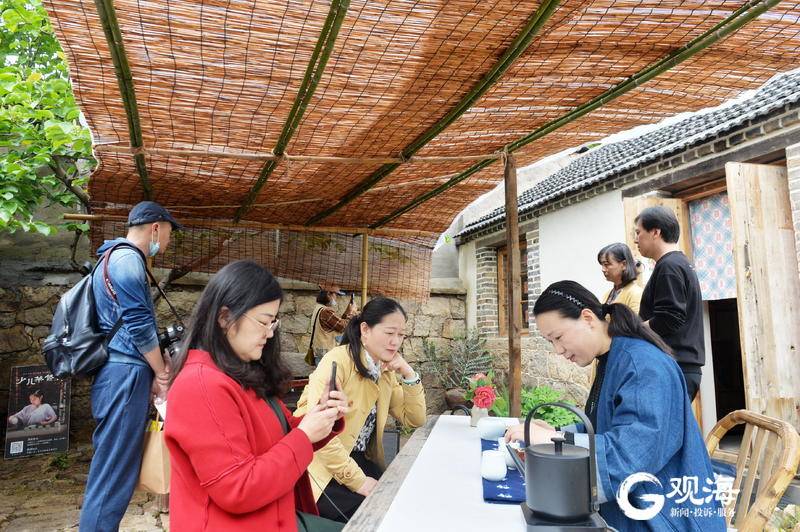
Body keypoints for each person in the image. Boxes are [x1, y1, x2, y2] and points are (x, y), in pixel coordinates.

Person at [505, 281, 724, 531]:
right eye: (551, 342)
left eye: (558, 337)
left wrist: (556, 438)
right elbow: (603, 425)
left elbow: (629, 454)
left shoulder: (644, 366)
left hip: (664, 517)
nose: (558, 350)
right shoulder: (615, 357)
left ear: (587, 318)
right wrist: (555, 432)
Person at [166, 260, 348, 531]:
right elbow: (237, 488)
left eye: (273, 323)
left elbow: (281, 437)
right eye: (263, 322)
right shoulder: (201, 385)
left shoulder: (239, 372)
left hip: (274, 514)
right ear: (225, 317)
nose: (269, 334)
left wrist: (321, 418)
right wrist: (305, 435)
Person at [80, 200, 181, 531]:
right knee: (113, 474)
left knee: (114, 470)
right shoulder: (127, 260)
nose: (167, 242)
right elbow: (138, 326)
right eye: (168, 234)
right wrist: (162, 371)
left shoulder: (114, 258)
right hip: (122, 376)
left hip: (121, 374)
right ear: (155, 227)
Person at [294, 297, 426, 522]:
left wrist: (408, 373)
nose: (395, 342)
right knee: (375, 517)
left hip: (359, 460)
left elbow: (414, 419)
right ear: (365, 329)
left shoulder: (384, 370)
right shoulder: (336, 362)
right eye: (389, 333)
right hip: (320, 468)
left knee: (403, 505)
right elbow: (322, 439)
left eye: (401, 335)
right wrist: (359, 482)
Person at [634, 206, 705, 401]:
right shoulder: (678, 263)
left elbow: (669, 318)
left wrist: (635, 329)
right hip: (679, 367)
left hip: (675, 367)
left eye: (638, 232)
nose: (635, 239)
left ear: (655, 232)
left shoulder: (669, 266)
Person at [306, 284, 357, 366]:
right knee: (328, 378)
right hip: (325, 353)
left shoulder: (319, 308)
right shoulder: (326, 312)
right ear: (328, 294)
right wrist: (353, 313)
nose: (336, 298)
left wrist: (347, 311)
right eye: (335, 295)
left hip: (321, 351)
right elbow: (342, 327)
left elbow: (336, 323)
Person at [597, 242, 643, 314]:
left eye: (606, 264)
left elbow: (635, 324)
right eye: (602, 265)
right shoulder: (607, 294)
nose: (603, 269)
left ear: (624, 264)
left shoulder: (635, 293)